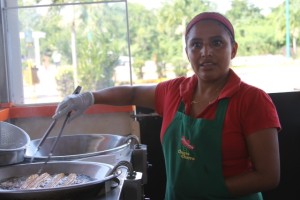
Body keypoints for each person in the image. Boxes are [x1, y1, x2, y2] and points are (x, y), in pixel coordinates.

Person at [53, 12, 281, 200]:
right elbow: (132, 92)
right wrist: (90, 98)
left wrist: (207, 190)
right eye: (196, 45)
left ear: (233, 49)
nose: (206, 52)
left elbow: (268, 175)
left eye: (217, 43)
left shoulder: (252, 101)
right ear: (187, 52)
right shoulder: (174, 92)